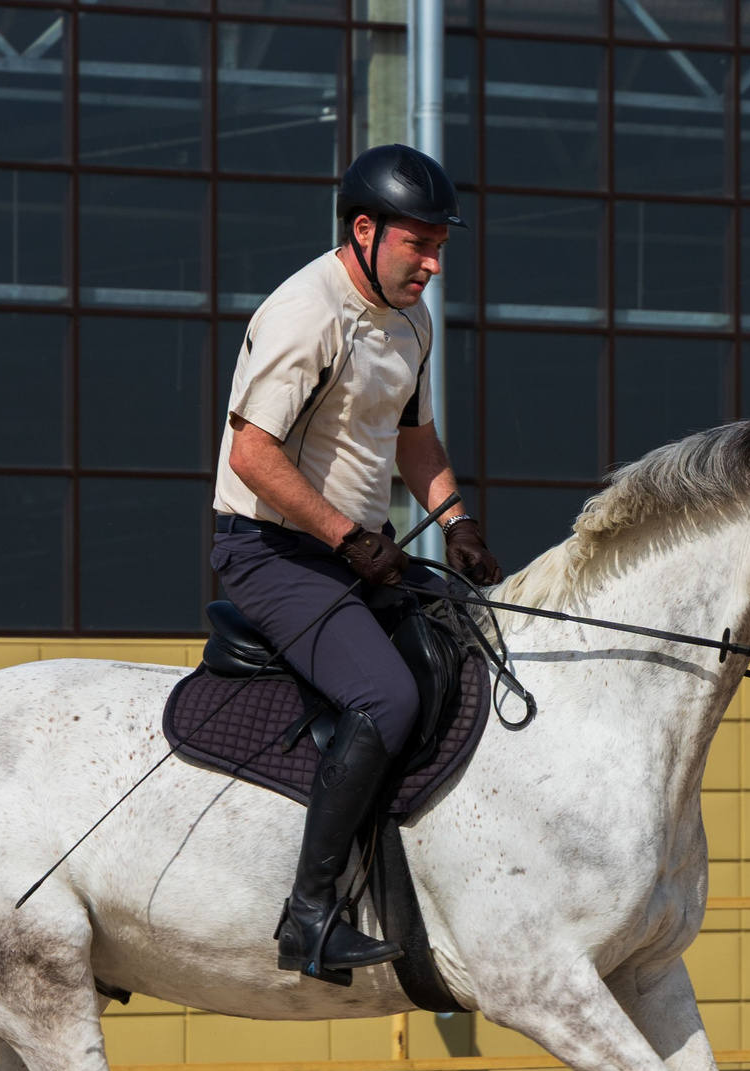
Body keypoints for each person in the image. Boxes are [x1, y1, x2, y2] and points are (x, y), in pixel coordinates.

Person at [212, 143, 506, 985]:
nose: (434, 264)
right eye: (420, 244)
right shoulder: (307, 312)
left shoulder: (411, 318)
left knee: (471, 638)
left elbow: (412, 435)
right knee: (386, 694)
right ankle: (307, 917)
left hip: (352, 549)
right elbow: (252, 455)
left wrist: (456, 519)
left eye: (441, 245)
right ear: (365, 230)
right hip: (271, 550)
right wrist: (348, 537)